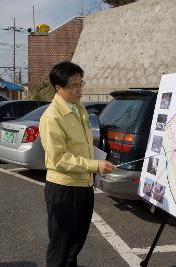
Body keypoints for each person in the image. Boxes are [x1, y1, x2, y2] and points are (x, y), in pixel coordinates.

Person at [39, 61, 115, 267]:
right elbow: (59, 159)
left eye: (81, 83)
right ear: (59, 88)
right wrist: (95, 165)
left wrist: (95, 164)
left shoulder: (78, 108)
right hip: (64, 188)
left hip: (82, 185)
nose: (79, 89)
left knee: (74, 245)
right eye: (73, 85)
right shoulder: (52, 116)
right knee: (61, 247)